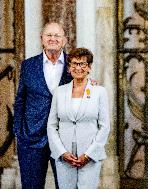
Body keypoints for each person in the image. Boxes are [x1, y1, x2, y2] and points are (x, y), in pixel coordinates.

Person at [13, 22, 72, 188]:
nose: (53, 39)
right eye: (49, 35)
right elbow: (20, 100)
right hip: (31, 138)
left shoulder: (74, 66)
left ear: (65, 40)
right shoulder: (28, 65)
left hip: (64, 139)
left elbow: (83, 93)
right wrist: (19, 131)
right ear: (41, 39)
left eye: (57, 35)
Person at [47, 48, 110, 189]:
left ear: (89, 67)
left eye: (82, 64)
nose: (78, 68)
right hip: (65, 155)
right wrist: (62, 152)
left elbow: (104, 126)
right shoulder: (59, 92)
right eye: (74, 64)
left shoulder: (99, 92)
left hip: (90, 154)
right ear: (69, 68)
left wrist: (88, 154)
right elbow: (52, 125)